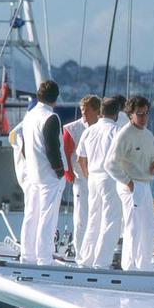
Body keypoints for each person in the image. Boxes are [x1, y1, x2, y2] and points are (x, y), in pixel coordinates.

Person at [104, 96, 154, 271]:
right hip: (130, 184)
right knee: (133, 227)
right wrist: (127, 182)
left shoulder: (149, 135)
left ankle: (144, 266)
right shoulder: (124, 134)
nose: (143, 118)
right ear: (130, 115)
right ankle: (129, 267)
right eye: (139, 114)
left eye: (146, 114)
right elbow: (109, 164)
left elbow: (153, 156)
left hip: (145, 184)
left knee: (149, 228)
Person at [19, 80, 66, 265]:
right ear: (55, 98)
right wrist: (60, 170)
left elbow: (23, 147)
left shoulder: (28, 116)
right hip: (49, 176)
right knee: (48, 216)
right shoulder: (51, 117)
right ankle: (44, 258)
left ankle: (27, 255)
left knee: (31, 214)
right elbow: (52, 147)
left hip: (32, 174)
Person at [76, 96, 121, 268]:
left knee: (93, 219)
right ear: (116, 113)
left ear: (101, 111)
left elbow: (81, 159)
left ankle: (86, 259)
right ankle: (101, 262)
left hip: (93, 177)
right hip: (110, 177)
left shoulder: (89, 131)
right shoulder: (117, 131)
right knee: (110, 220)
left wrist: (88, 176)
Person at [63, 94, 101, 256]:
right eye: (82, 111)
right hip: (81, 179)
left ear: (96, 111)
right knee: (81, 218)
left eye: (86, 111)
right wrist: (69, 173)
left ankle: (93, 251)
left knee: (97, 216)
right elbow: (65, 151)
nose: (83, 114)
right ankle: (80, 253)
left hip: (98, 179)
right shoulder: (73, 128)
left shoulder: (103, 127)